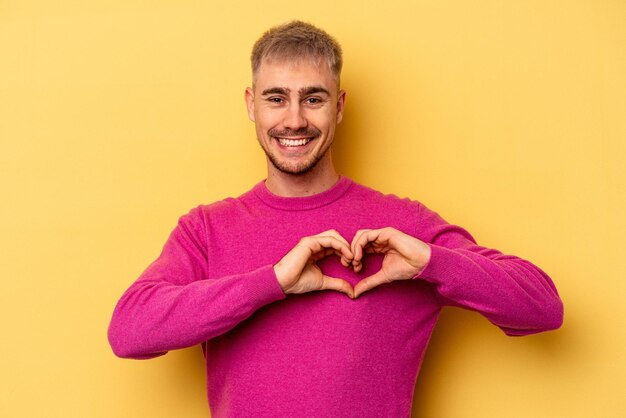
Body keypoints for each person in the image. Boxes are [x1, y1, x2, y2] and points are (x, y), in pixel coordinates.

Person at [108, 20, 563, 417]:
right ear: (251, 105)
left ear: (339, 106)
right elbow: (129, 332)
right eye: (276, 98)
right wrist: (273, 282)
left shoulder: (401, 224)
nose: (293, 120)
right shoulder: (207, 228)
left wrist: (431, 261)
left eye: (313, 99)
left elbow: (542, 307)